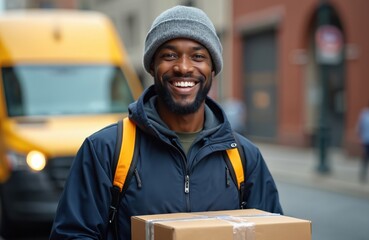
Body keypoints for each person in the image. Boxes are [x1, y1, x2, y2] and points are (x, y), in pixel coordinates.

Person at [50, 5, 283, 240]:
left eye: (198, 56)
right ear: (152, 66)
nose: (183, 67)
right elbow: (72, 234)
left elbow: (273, 234)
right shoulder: (106, 150)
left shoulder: (245, 158)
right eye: (170, 55)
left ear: (213, 69)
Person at [357, 101, 369, 182]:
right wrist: (360, 138)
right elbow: (359, 128)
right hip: (366, 141)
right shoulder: (364, 114)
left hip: (365, 140)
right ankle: (362, 175)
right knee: (365, 159)